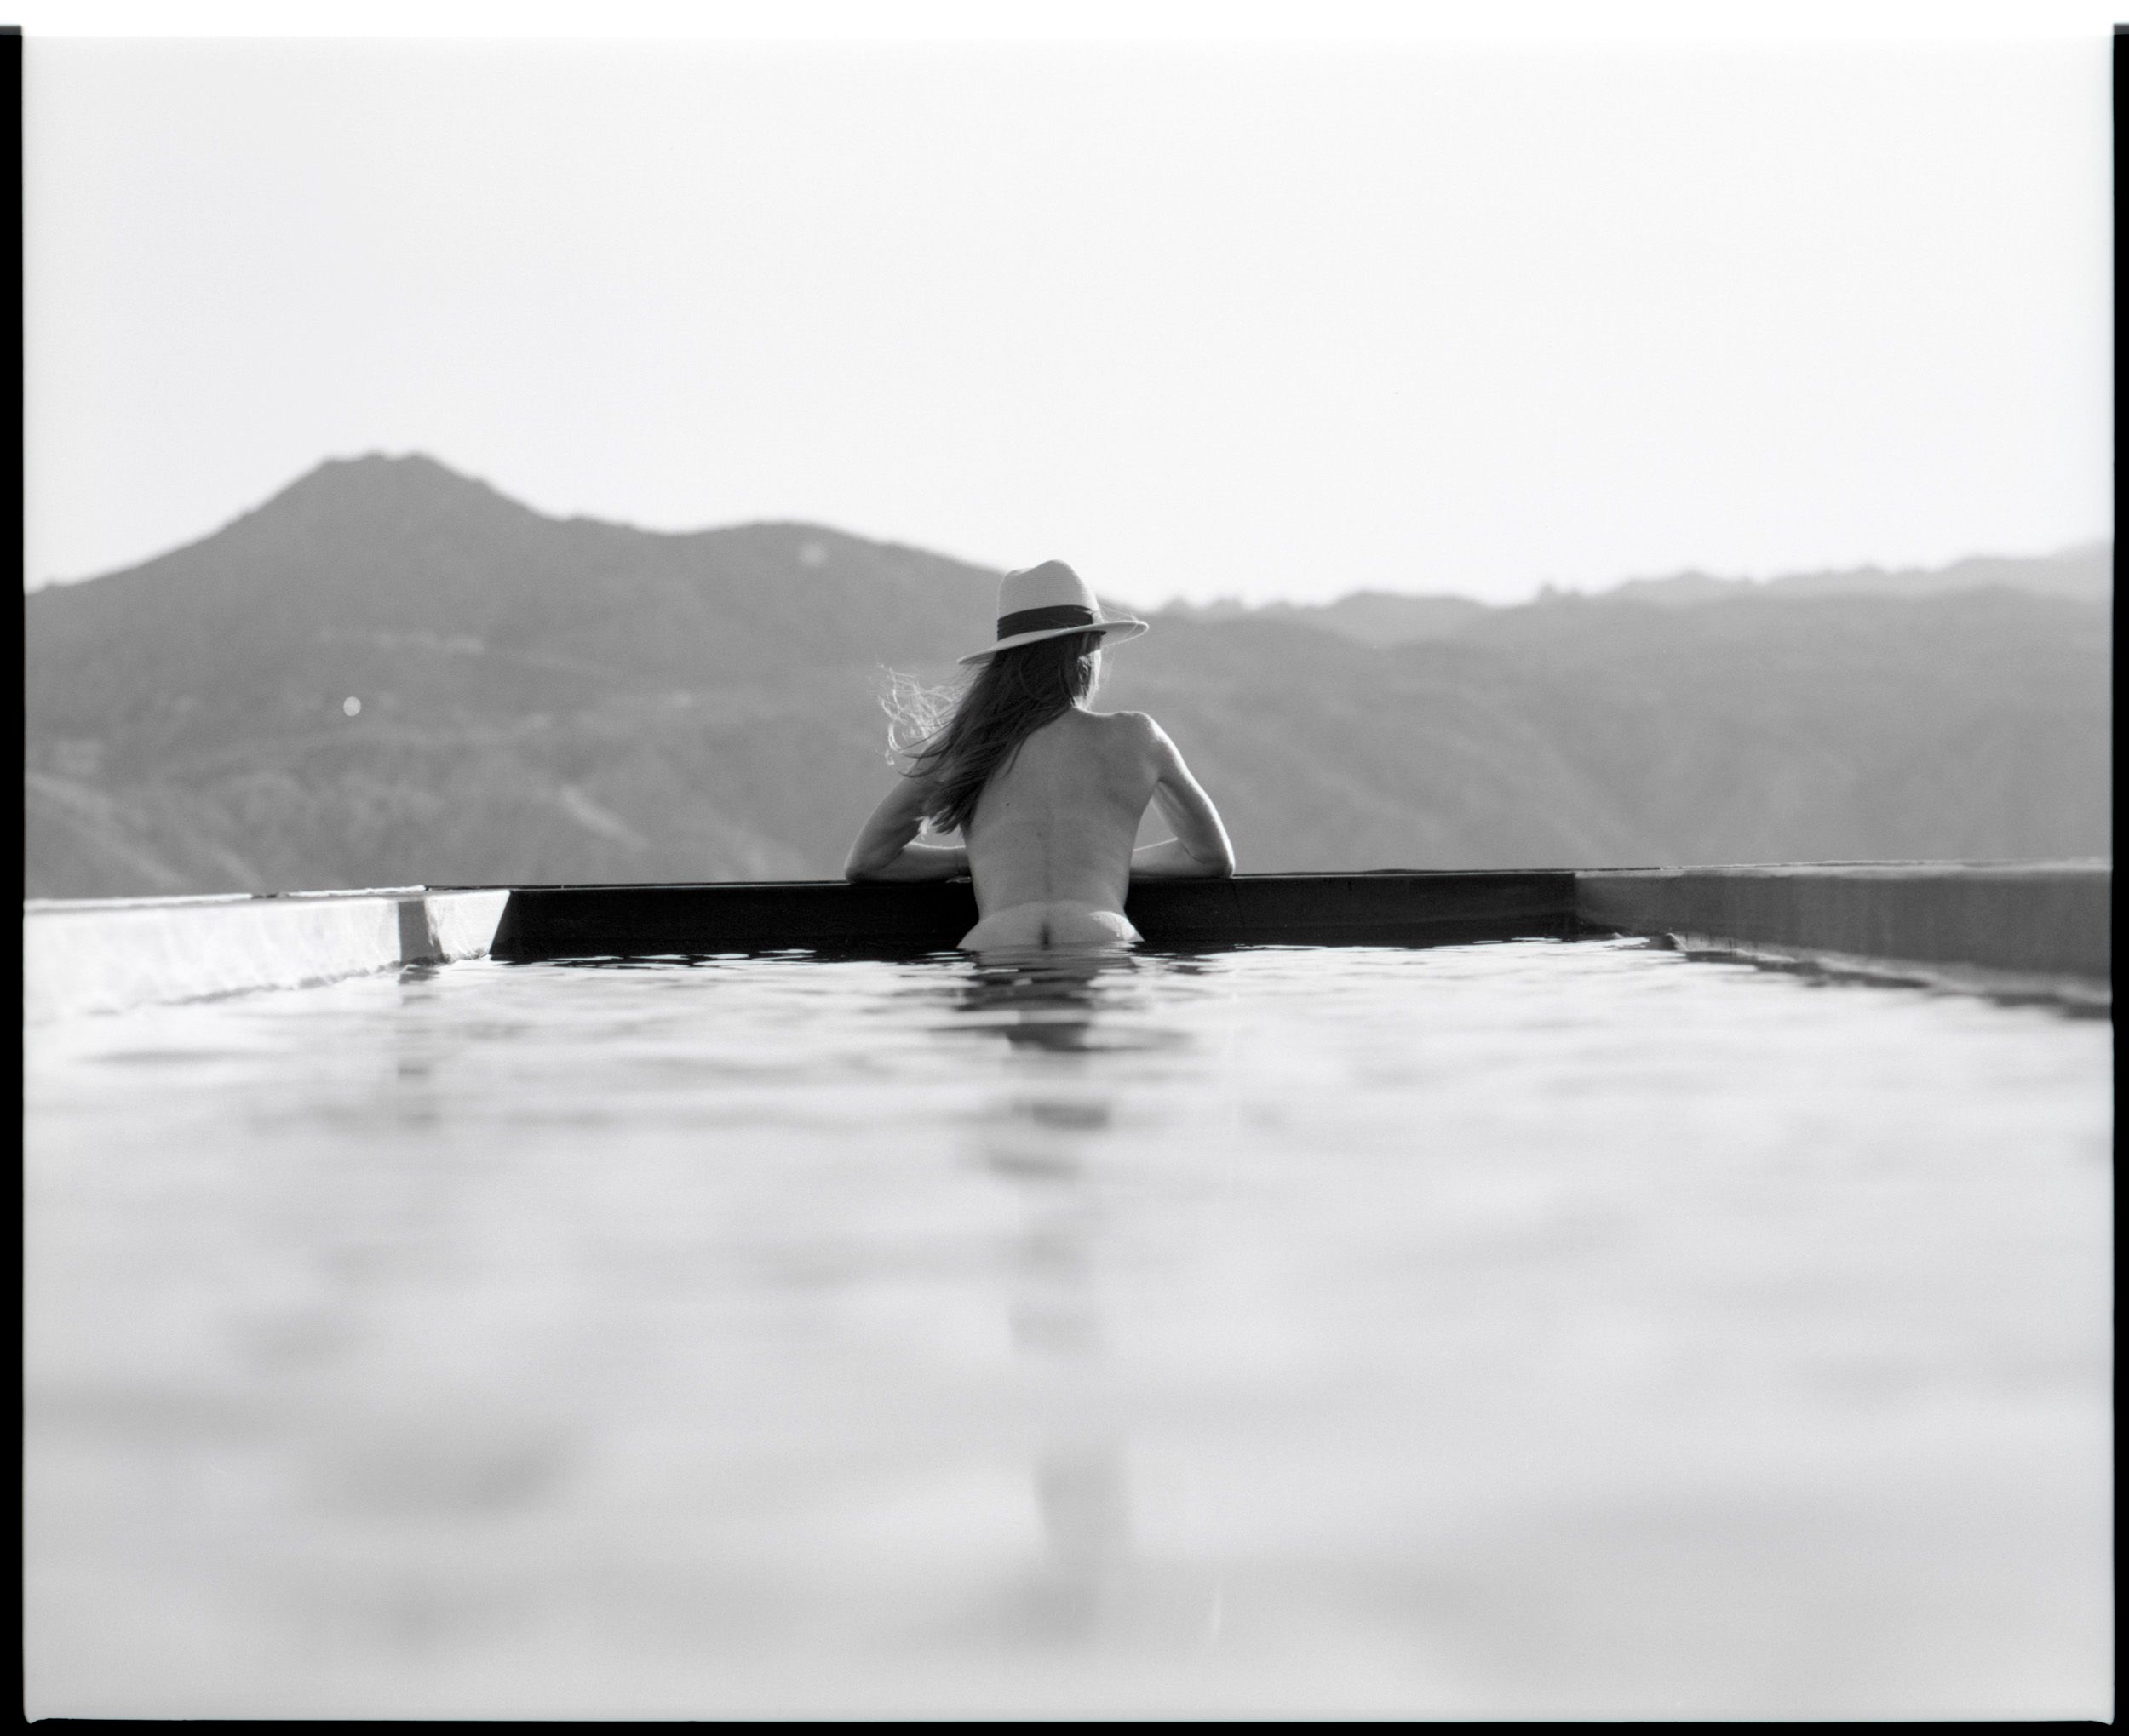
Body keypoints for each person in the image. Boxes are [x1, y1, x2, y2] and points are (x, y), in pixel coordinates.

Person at [844, 560, 1234, 949]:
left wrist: (976, 860)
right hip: (1100, 936)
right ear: (1088, 647)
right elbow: (1210, 859)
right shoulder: (1137, 737)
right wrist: (1100, 860)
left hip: (997, 940)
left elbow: (869, 862)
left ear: (1006, 659)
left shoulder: (966, 746)